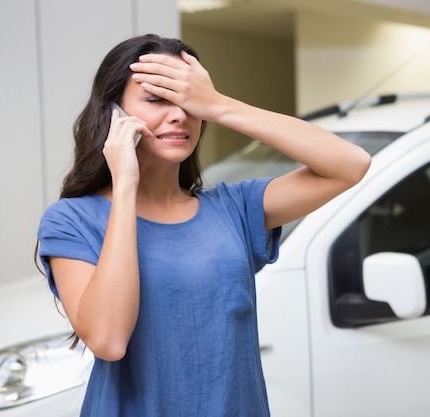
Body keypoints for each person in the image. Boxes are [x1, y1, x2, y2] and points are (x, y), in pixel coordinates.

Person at [37, 33, 371, 417]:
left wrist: (218, 104)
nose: (179, 114)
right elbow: (109, 341)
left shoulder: (233, 208)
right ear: (114, 115)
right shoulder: (72, 221)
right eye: (157, 98)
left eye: (187, 101)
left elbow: (351, 165)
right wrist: (124, 185)